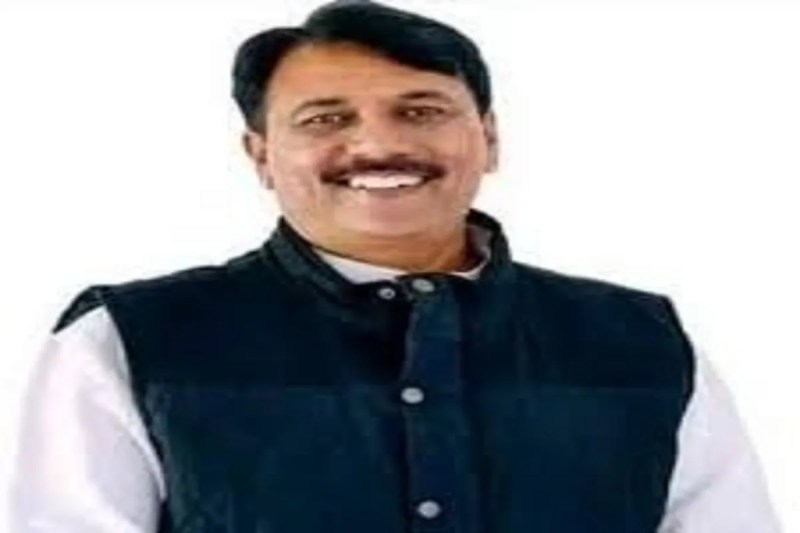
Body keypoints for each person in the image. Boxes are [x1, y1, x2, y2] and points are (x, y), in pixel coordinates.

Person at [9, 1, 781, 532]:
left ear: (489, 138)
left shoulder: (637, 342)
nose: (378, 145)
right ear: (261, 156)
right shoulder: (132, 341)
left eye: (420, 110)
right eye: (326, 118)